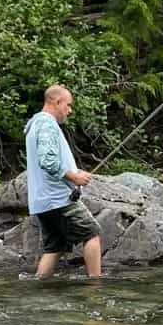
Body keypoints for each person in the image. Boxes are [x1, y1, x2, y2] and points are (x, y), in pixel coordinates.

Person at [25, 84, 103, 279]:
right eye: (68, 105)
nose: (70, 110)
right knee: (91, 233)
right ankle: (96, 286)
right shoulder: (47, 124)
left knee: (55, 246)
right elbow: (48, 161)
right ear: (57, 102)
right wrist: (75, 177)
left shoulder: (34, 124)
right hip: (58, 198)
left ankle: (39, 286)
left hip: (42, 200)